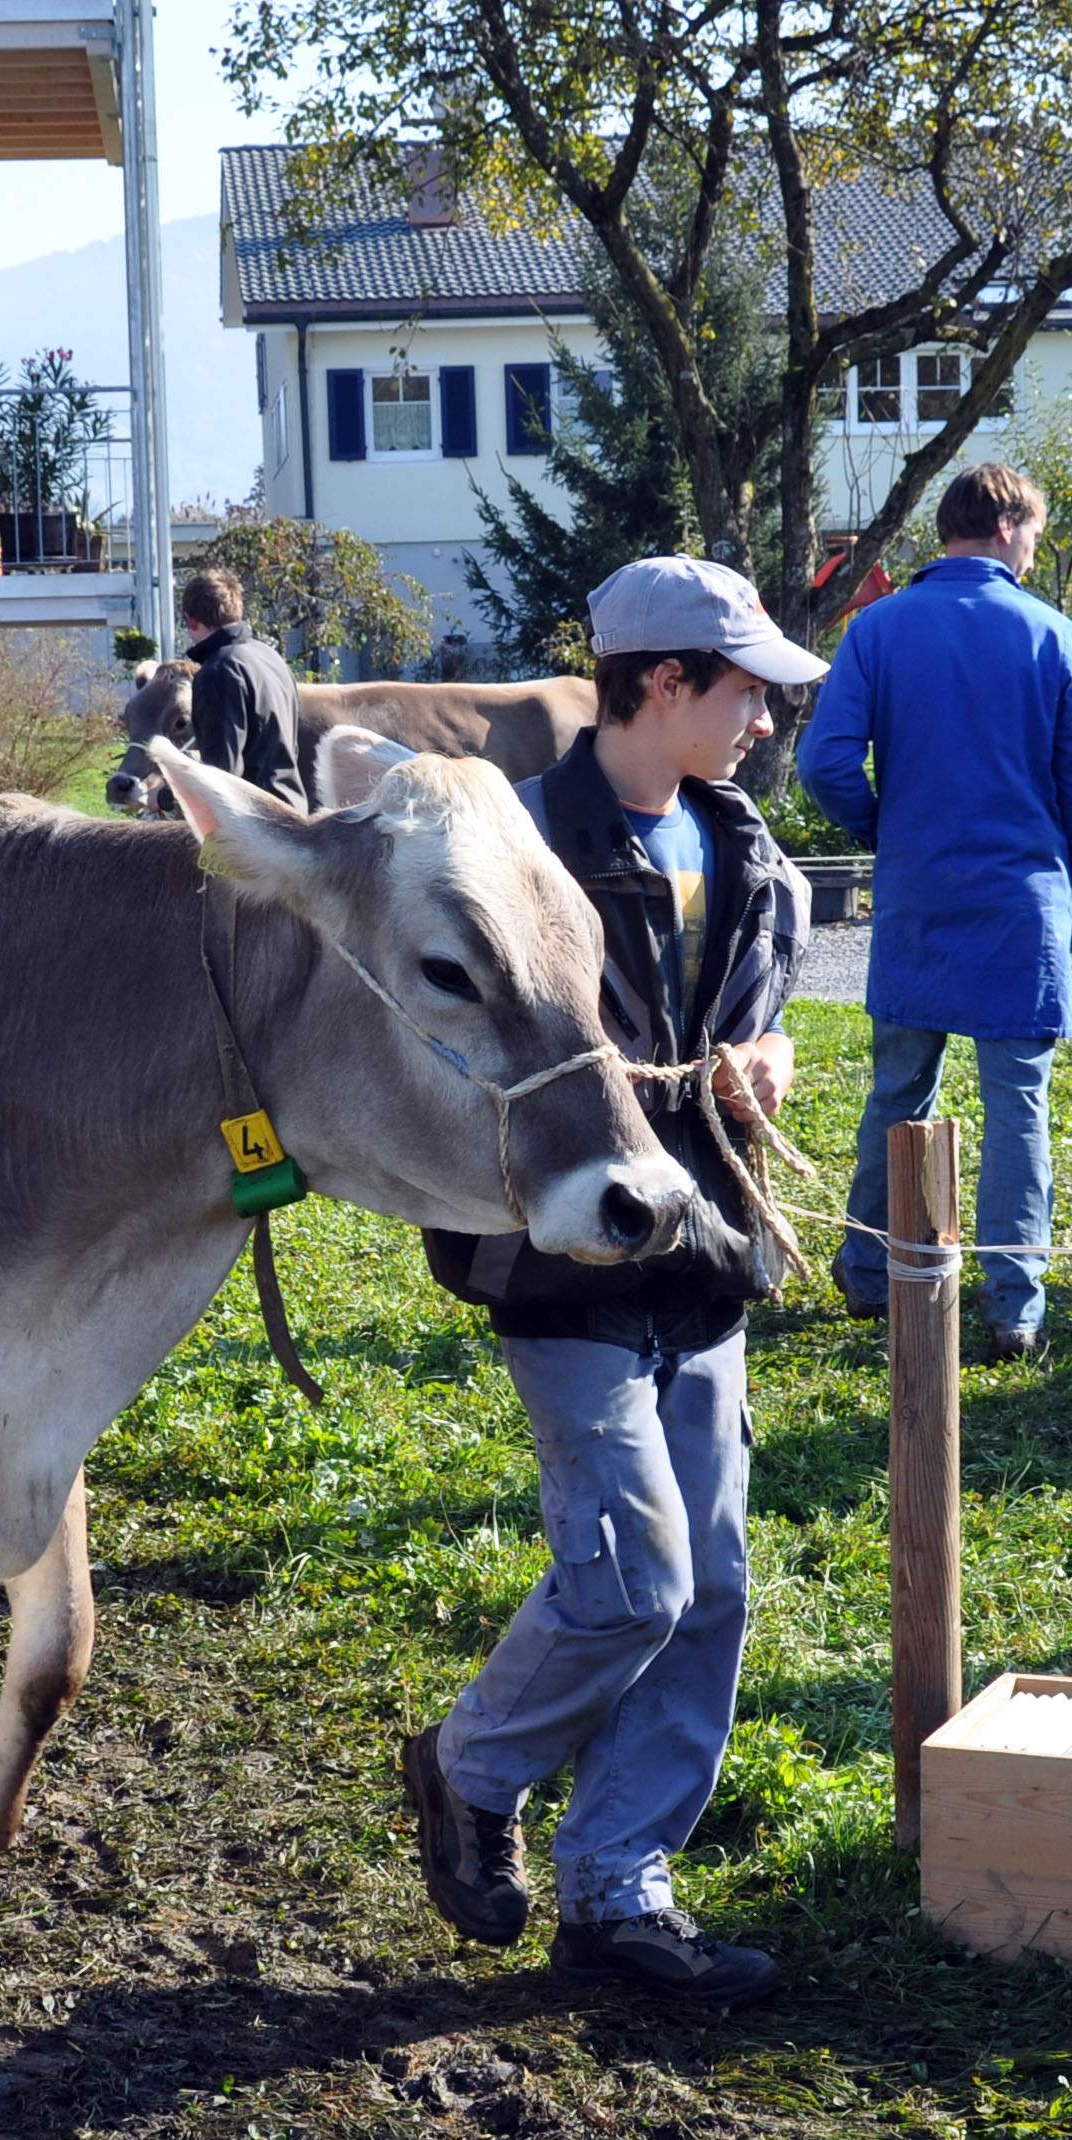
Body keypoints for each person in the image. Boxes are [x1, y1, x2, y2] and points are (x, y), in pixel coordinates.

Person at [396, 556, 820, 2008]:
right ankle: (469, 1768)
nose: (765, 718)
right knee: (637, 1580)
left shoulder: (749, 856)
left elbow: (755, 1018)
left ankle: (620, 1888)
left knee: (712, 1590)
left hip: (707, 1257)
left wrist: (764, 1064)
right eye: (747, 690)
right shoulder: (514, 848)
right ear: (664, 681)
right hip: (565, 1261)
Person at [800, 461, 1072, 1360]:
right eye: (1035, 534)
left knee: (899, 1091)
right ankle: (1015, 1306)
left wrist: (884, 826)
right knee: (1018, 1106)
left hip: (919, 894)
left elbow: (825, 764)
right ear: (1008, 526)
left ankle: (870, 1273)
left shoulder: (878, 628)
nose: (1035, 550)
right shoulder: (1052, 634)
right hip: (1023, 901)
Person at [178, 567, 301, 797]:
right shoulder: (271, 656)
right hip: (291, 807)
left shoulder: (218, 671)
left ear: (191, 620)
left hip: (252, 814)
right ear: (238, 610)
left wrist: (165, 796)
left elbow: (221, 774)